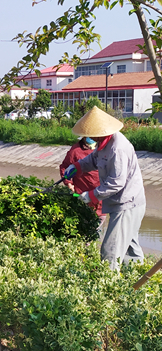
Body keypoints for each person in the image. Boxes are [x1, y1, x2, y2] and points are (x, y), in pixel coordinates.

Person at [63, 106, 146, 271]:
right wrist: (76, 167)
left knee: (110, 250)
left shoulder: (117, 148)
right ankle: (138, 278)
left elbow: (116, 182)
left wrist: (91, 195)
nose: (90, 137)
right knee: (130, 249)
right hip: (123, 203)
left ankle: (109, 282)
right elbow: (93, 160)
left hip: (126, 204)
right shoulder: (104, 144)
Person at [59, 137, 103, 218]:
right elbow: (65, 167)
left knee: (100, 220)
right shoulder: (76, 150)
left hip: (101, 198)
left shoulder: (104, 148)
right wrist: (68, 183)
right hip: (83, 196)